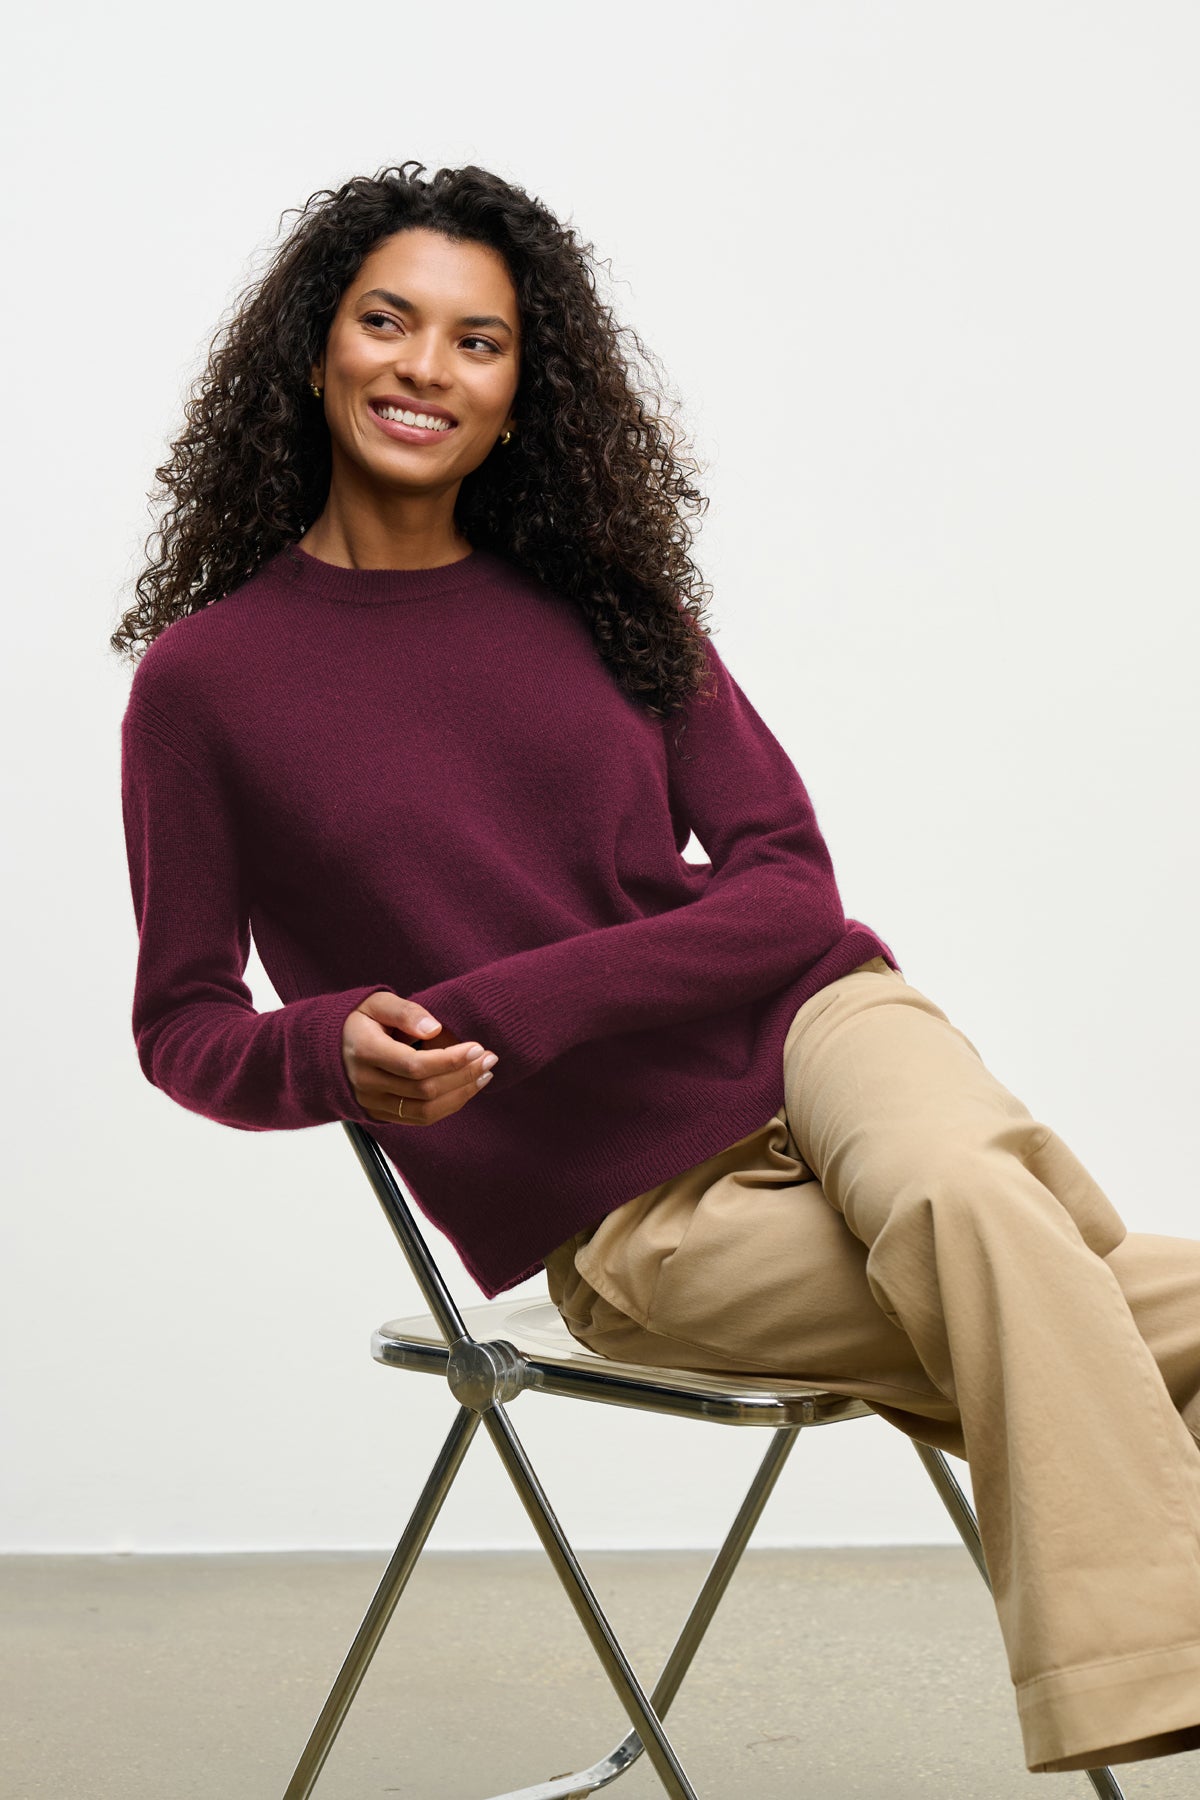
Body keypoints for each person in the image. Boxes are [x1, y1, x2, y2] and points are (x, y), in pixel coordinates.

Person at [113, 159, 1200, 1778]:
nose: (426, 368)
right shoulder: (207, 688)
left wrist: (507, 1009)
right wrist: (334, 1043)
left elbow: (784, 889)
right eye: (388, 323)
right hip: (626, 1214)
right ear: (315, 348)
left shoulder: (613, 605)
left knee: (968, 1202)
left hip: (824, 1025)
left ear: (519, 392)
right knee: (1037, 1279)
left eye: (478, 343)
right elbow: (185, 1023)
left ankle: (1144, 1684)